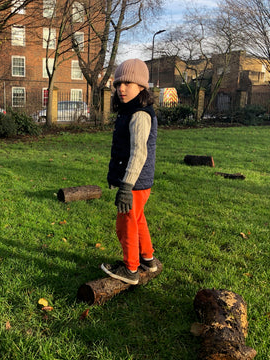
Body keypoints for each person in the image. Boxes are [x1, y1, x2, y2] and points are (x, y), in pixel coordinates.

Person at [101, 58, 158, 285]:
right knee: (138, 219)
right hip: (139, 182)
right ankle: (148, 259)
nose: (121, 88)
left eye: (128, 83)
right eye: (118, 84)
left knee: (126, 224)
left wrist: (126, 187)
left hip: (134, 183)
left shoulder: (139, 114)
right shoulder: (130, 110)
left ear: (142, 86)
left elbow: (138, 154)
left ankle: (131, 269)